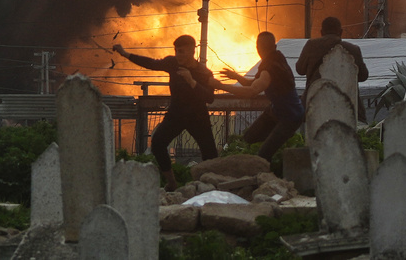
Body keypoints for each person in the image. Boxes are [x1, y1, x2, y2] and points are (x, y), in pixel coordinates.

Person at [113, 35, 223, 190]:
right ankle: (171, 183)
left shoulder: (204, 72)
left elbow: (210, 98)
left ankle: (211, 186)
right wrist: (126, 54)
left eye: (182, 52)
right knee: (158, 143)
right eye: (176, 51)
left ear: (192, 50)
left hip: (197, 117)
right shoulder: (172, 63)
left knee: (210, 153)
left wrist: (192, 82)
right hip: (176, 114)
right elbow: (151, 63)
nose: (178, 55)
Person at [216, 31, 304, 163]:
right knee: (249, 138)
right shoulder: (276, 59)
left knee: (264, 154)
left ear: (258, 48)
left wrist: (222, 86)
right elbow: (253, 83)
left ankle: (266, 177)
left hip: (290, 117)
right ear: (274, 47)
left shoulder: (270, 68)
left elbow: (252, 91)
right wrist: (236, 76)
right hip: (277, 112)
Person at [296, 16, 369, 119]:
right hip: (347, 105)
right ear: (341, 32)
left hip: (315, 103)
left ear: (321, 32)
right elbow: (363, 76)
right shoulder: (353, 50)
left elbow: (300, 69)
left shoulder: (311, 46)